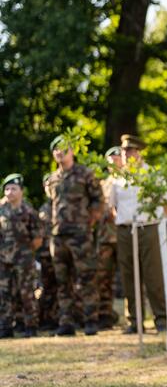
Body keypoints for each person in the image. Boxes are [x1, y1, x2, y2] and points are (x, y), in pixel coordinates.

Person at [46, 136, 103, 336]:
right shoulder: (51, 179)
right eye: (56, 149)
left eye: (64, 149)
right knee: (63, 281)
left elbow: (98, 199)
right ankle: (66, 322)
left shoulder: (85, 174)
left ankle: (91, 320)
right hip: (59, 235)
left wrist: (90, 221)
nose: (60, 152)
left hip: (80, 234)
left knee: (86, 278)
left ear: (72, 151)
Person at [110, 134, 167, 334]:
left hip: (148, 227)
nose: (125, 154)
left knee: (153, 274)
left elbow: (164, 202)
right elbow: (113, 206)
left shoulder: (151, 173)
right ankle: (134, 320)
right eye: (124, 151)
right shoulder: (117, 177)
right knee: (128, 275)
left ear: (139, 152)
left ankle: (161, 319)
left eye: (129, 151)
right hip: (125, 229)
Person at [0, 174, 43, 338]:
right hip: (3, 260)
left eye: (13, 189)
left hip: (24, 259)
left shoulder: (29, 211)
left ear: (21, 191)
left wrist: (25, 252)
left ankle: (30, 326)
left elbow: (38, 238)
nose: (9, 192)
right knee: (4, 293)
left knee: (26, 293)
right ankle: (5, 327)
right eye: (7, 189)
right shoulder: (1, 209)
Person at [94, 146, 122, 329]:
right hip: (105, 237)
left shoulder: (129, 181)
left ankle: (135, 315)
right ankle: (105, 314)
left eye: (116, 158)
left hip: (123, 235)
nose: (113, 162)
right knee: (103, 277)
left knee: (130, 276)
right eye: (110, 159)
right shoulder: (102, 184)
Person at [36, 174, 59, 331]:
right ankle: (47, 318)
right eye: (46, 185)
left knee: (64, 285)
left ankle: (65, 317)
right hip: (45, 255)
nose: (49, 188)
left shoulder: (65, 205)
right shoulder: (43, 209)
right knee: (48, 287)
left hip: (62, 252)